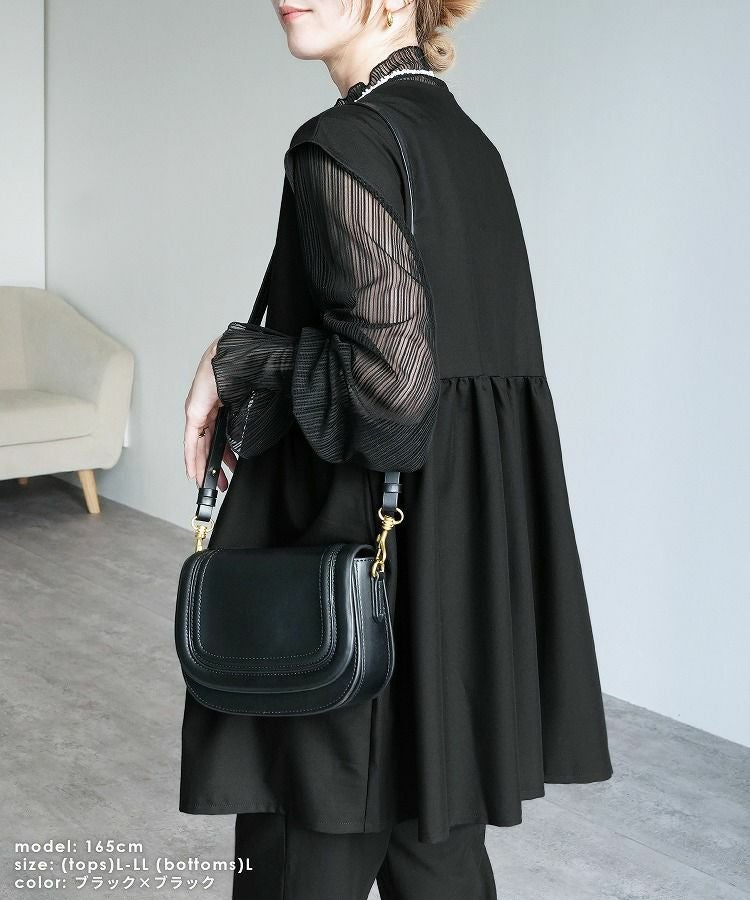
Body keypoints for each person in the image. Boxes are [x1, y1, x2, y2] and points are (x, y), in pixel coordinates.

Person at [181, 1, 613, 898]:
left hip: (338, 616)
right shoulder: (468, 146)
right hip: (448, 615)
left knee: (300, 861)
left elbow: (393, 394)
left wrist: (239, 358)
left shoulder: (340, 145)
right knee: (441, 865)